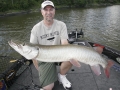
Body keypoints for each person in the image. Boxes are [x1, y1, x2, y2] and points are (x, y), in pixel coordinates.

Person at [30, 0, 72, 90]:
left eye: (51, 9)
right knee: (48, 88)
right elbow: (33, 53)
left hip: (59, 54)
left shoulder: (61, 25)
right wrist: (40, 70)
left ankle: (62, 76)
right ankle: (48, 74)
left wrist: (70, 53)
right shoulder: (35, 29)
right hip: (44, 58)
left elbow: (65, 43)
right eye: (46, 10)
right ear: (42, 12)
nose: (48, 12)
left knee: (72, 56)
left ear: (54, 11)